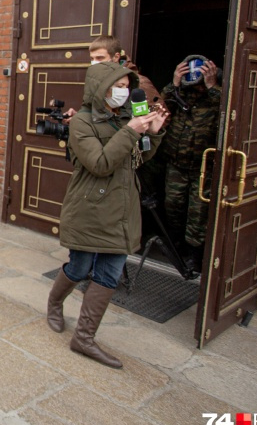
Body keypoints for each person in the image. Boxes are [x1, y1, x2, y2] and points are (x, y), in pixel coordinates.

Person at [46, 62, 167, 368]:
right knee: (80, 266)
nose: (124, 93)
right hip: (90, 208)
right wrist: (130, 131)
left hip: (121, 208)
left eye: (128, 87)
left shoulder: (125, 120)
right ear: (102, 88)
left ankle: (84, 338)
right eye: (118, 86)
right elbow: (99, 164)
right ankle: (55, 303)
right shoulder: (82, 123)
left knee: (110, 274)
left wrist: (153, 133)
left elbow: (138, 158)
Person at [159, 55, 221, 267]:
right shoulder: (179, 96)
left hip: (202, 168)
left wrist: (212, 86)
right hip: (176, 165)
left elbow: (229, 114)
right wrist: (175, 82)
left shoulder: (215, 98)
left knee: (198, 213)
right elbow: (159, 109)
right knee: (173, 206)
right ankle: (175, 246)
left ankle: (194, 255)